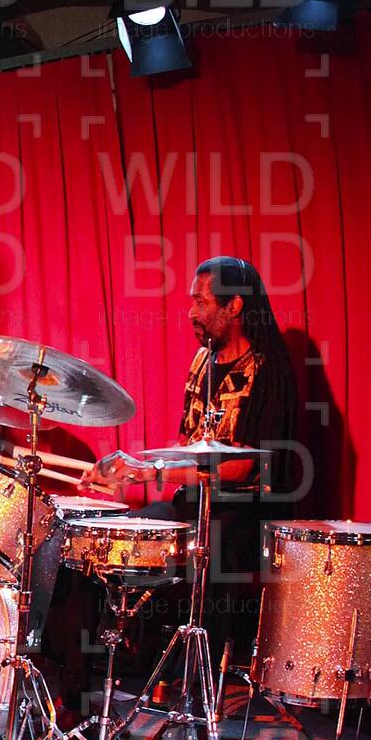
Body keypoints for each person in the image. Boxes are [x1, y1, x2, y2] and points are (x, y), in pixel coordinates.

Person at [78, 254, 300, 645]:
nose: (190, 312)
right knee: (115, 538)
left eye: (201, 301)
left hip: (246, 515)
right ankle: (112, 656)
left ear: (234, 306)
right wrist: (129, 466)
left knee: (212, 548)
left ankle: (201, 666)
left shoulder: (267, 370)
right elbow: (188, 446)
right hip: (194, 505)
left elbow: (242, 467)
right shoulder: (203, 361)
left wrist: (152, 473)